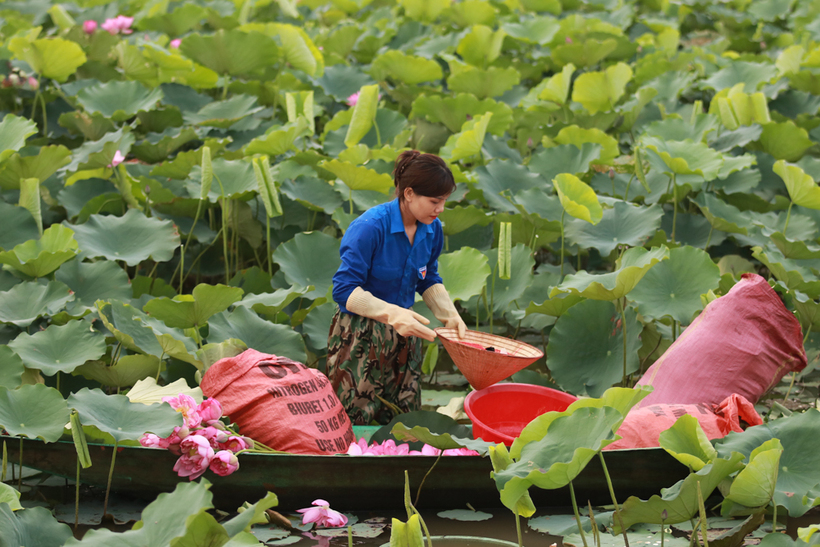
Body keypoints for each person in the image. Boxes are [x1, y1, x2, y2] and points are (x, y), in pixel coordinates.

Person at [327, 150, 468, 425]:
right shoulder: (369, 227)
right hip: (360, 335)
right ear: (409, 194)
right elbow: (343, 289)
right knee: (356, 421)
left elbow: (428, 277)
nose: (440, 209)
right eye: (434, 201)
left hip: (407, 333)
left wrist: (449, 313)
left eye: (444, 202)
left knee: (404, 422)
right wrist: (391, 314)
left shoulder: (433, 228)